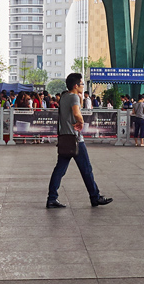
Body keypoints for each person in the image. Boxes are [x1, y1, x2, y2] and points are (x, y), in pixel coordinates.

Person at [47, 73, 113, 209]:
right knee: (86, 169)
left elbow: (74, 110)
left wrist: (81, 99)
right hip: (76, 140)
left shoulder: (65, 96)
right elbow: (77, 113)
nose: (83, 86)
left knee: (59, 169)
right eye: (82, 84)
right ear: (76, 86)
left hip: (65, 138)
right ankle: (95, 197)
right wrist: (81, 122)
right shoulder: (73, 97)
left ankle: (52, 198)